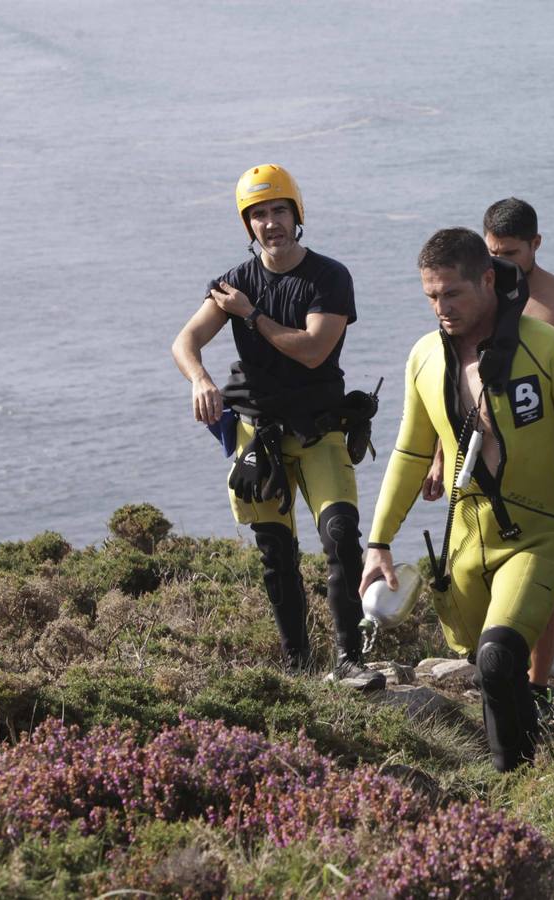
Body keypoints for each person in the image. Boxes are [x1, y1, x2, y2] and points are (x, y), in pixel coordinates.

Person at [359, 228, 554, 772]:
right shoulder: (423, 359)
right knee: (482, 665)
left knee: (499, 655)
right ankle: (524, 762)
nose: (442, 308)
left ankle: (517, 781)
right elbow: (410, 454)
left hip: (538, 533)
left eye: (452, 294)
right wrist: (378, 542)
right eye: (431, 297)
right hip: (465, 539)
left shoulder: (548, 347)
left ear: (487, 279)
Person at [170, 164, 383, 691]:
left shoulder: (329, 277)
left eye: (279, 211)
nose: (270, 223)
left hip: (319, 428)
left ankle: (349, 659)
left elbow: (314, 351)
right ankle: (297, 664)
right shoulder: (232, 283)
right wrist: (200, 379)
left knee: (341, 538)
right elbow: (184, 342)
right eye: (259, 214)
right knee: (275, 551)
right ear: (248, 225)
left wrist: (250, 315)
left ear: (297, 214)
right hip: (257, 432)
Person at [421, 199, 554, 712]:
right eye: (493, 252)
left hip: (552, 461)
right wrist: (437, 456)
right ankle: (503, 673)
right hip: (479, 462)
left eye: (512, 253)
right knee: (487, 570)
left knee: (540, 576)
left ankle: (538, 684)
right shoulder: (479, 303)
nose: (501, 262)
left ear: (536, 245)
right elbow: (455, 390)